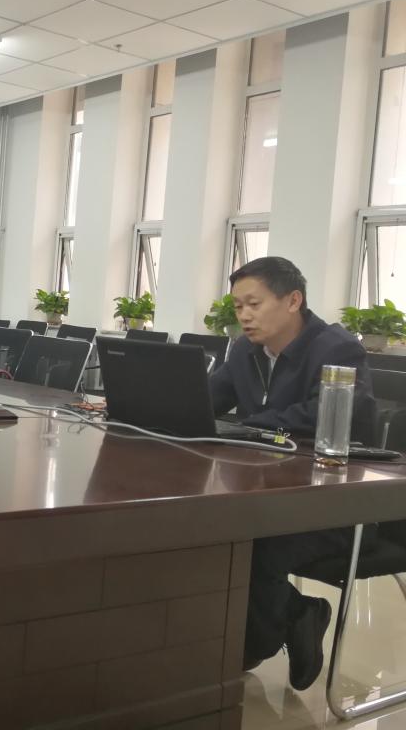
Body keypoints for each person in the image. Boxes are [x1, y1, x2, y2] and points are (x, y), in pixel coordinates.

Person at [208, 256, 377, 691]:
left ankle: (255, 642)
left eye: (254, 304)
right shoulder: (244, 351)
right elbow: (209, 399)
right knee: (206, 528)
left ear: (293, 301)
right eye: (238, 306)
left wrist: (251, 425)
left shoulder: (337, 349)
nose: (244, 315)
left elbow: (327, 415)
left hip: (333, 505)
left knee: (255, 541)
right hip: (266, 493)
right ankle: (297, 611)